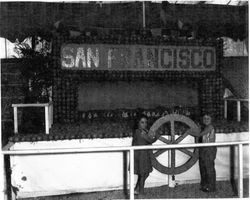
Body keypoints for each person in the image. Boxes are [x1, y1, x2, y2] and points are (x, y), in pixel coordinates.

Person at [132, 115, 159, 195]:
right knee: (143, 173)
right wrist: (156, 137)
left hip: (144, 154)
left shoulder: (144, 131)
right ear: (138, 123)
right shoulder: (138, 131)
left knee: (145, 173)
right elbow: (150, 140)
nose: (144, 124)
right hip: (140, 155)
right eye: (142, 122)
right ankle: (141, 192)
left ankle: (137, 189)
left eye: (146, 122)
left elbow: (148, 139)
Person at [198, 113, 217, 192]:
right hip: (203, 150)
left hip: (209, 150)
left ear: (211, 120)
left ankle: (211, 187)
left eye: (208, 118)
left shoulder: (210, 127)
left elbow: (200, 134)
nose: (206, 120)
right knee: (203, 168)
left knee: (209, 169)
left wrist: (189, 132)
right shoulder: (205, 127)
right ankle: (204, 186)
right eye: (204, 118)